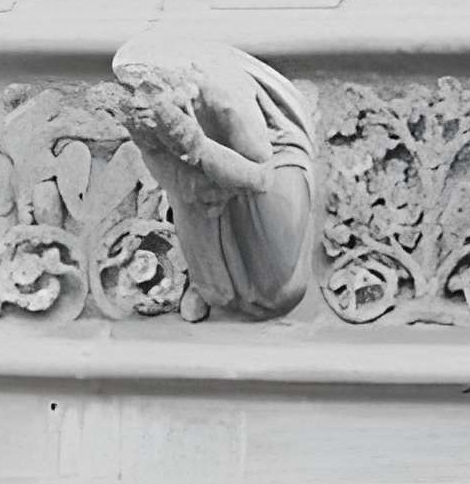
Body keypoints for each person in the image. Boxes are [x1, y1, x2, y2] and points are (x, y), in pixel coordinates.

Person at [106, 33, 319, 321]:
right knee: (188, 200)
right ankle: (208, 285)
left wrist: (189, 139)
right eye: (133, 91)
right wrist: (149, 143)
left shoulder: (223, 93)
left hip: (268, 176)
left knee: (276, 289)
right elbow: (172, 181)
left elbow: (257, 177)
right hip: (212, 172)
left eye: (147, 89)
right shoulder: (166, 106)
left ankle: (238, 281)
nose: (140, 99)